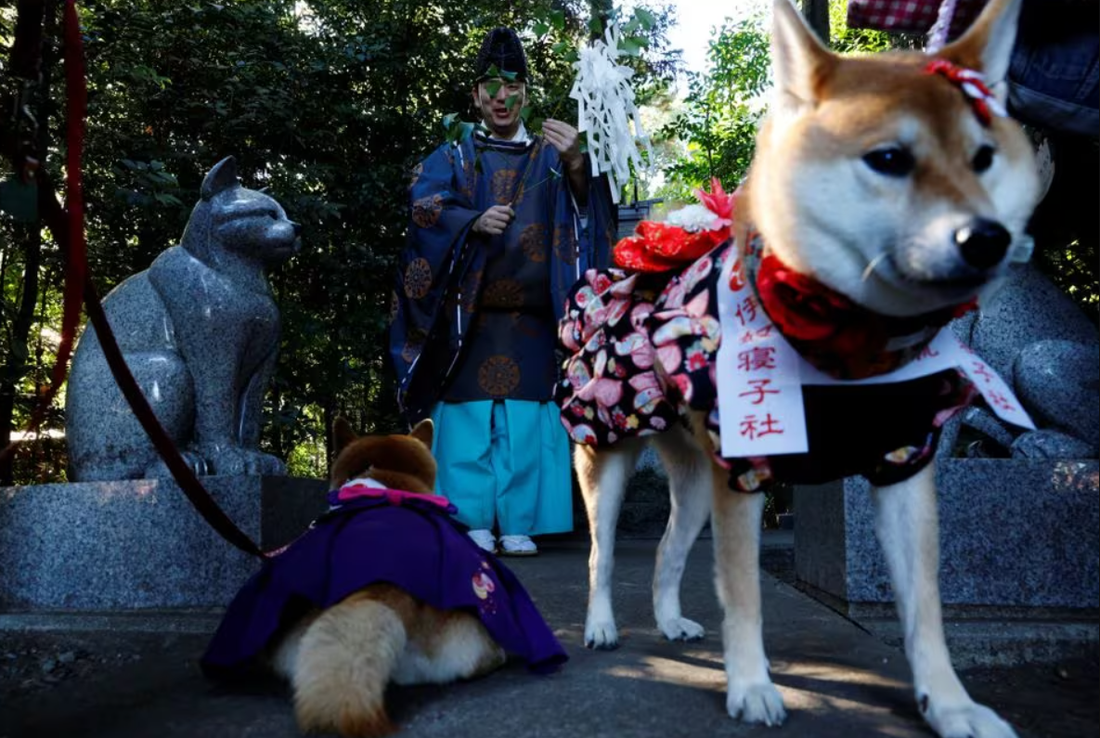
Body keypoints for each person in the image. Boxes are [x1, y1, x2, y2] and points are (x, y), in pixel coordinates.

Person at [389, 27, 614, 556]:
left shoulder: (551, 155)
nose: (500, 97)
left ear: (527, 94)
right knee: (468, 421)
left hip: (531, 317)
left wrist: (580, 164)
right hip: (469, 317)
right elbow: (423, 209)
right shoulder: (453, 154)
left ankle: (521, 522)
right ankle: (469, 520)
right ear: (474, 95)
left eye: (512, 87)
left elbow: (590, 217)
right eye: (489, 87)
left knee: (525, 422)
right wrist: (470, 221)